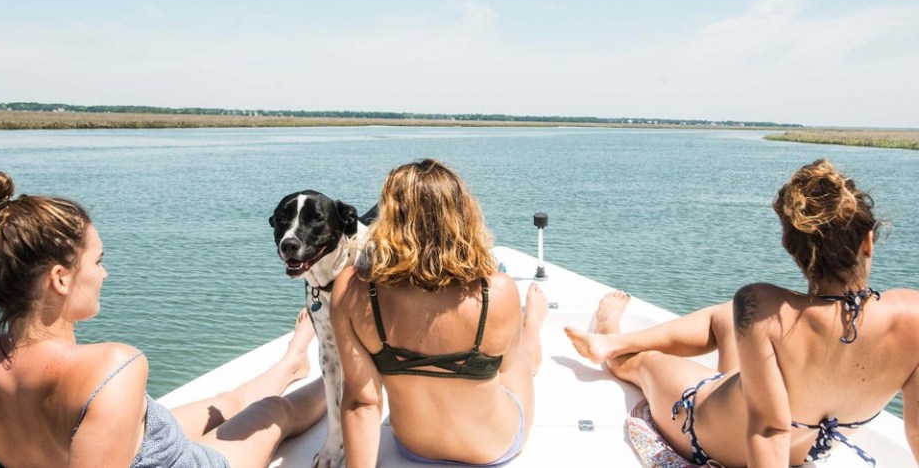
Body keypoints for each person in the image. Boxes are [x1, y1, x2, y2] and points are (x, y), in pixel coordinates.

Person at [566, 159, 919, 467]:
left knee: (643, 363)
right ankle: (612, 340)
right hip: (793, 444)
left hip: (707, 432)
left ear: (790, 248)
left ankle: (610, 340)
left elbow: (769, 431)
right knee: (726, 317)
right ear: (868, 242)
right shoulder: (913, 315)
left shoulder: (763, 305)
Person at [0, 172, 326, 468]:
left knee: (227, 402)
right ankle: (336, 382)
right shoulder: (112, 368)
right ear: (59, 278)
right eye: (98, 261)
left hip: (141, 439)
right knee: (274, 410)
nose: (105, 274)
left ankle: (293, 359)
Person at [331, 158, 549, 467]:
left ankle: (531, 326)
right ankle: (534, 324)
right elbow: (505, 368)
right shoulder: (497, 291)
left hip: (413, 445)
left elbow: (361, 403)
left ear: (389, 217)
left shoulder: (352, 290)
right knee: (521, 362)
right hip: (494, 446)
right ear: (463, 216)